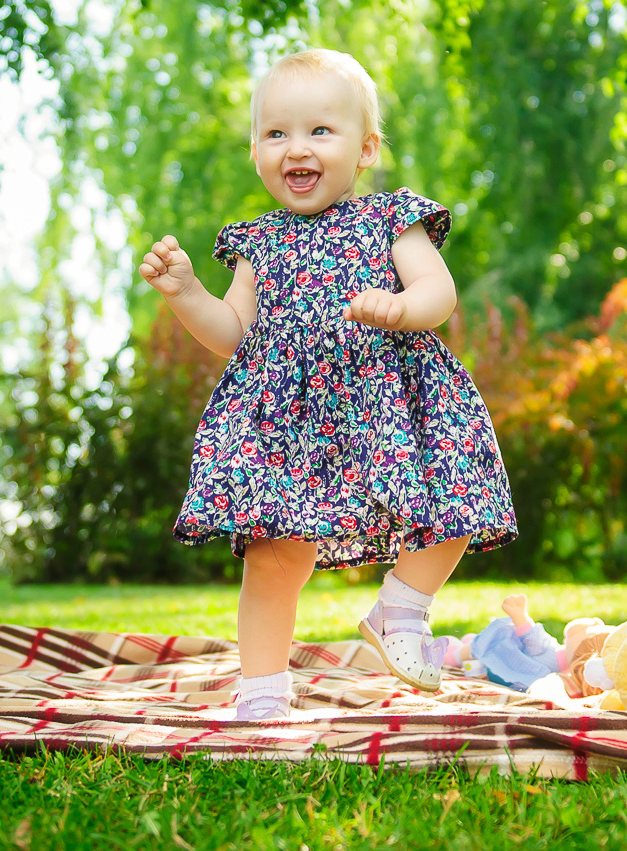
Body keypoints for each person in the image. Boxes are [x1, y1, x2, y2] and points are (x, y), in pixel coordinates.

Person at [139, 48, 517, 721]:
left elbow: (438, 288)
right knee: (273, 559)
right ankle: (260, 693)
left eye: (320, 130)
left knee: (454, 496)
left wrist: (403, 306)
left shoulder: (389, 219)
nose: (296, 148)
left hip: (384, 403)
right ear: (256, 150)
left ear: (365, 147)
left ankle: (400, 608)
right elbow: (233, 332)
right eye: (276, 133)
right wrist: (186, 291)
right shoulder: (258, 242)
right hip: (289, 422)